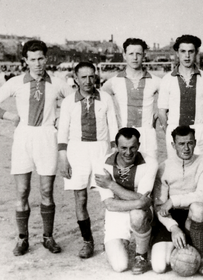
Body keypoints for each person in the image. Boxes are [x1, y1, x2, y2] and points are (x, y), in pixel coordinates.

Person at [0, 40, 73, 256]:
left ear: (46, 59)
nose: (37, 64)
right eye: (33, 60)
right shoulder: (16, 82)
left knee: (46, 191)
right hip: (23, 137)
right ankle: (23, 238)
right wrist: (11, 116)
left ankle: (48, 237)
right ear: (25, 61)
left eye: (41, 59)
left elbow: (75, 101)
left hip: (47, 137)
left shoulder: (57, 82)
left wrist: (60, 118)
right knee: (22, 191)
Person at [57, 62, 118, 258]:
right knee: (80, 198)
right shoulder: (68, 102)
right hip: (77, 151)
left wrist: (114, 155)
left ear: (96, 77)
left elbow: (114, 128)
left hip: (101, 150)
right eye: (83, 77)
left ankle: (113, 240)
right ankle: (87, 241)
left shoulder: (106, 98)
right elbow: (63, 132)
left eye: (91, 76)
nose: (88, 81)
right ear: (75, 79)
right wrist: (63, 158)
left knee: (108, 196)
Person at [151, 126, 203, 277]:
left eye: (190, 143)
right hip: (169, 219)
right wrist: (173, 227)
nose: (186, 148)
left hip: (191, 217)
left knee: (199, 207)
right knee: (159, 267)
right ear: (173, 145)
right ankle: (170, 245)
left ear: (195, 143)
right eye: (181, 144)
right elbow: (159, 206)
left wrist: (173, 200)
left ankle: (199, 255)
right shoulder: (164, 167)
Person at [94, 128, 158, 274]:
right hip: (116, 213)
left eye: (132, 147)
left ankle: (141, 255)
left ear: (139, 146)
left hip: (140, 213)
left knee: (137, 215)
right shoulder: (102, 164)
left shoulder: (150, 162)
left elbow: (143, 204)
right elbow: (109, 204)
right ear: (116, 146)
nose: (128, 152)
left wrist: (111, 185)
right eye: (123, 148)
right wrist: (140, 201)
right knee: (120, 266)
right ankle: (122, 241)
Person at [158, 35, 203, 158]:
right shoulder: (167, 79)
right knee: (177, 171)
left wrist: (201, 126)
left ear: (196, 53)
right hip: (175, 131)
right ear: (177, 53)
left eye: (191, 51)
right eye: (183, 51)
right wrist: (170, 132)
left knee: (201, 169)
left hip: (200, 132)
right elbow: (162, 112)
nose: (187, 56)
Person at [102, 38, 160, 158]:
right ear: (124, 55)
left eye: (138, 54)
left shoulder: (155, 81)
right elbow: (102, 100)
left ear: (144, 55)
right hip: (124, 135)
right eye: (131, 54)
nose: (135, 58)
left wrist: (158, 111)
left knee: (149, 171)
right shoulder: (113, 82)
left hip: (147, 134)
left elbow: (170, 98)